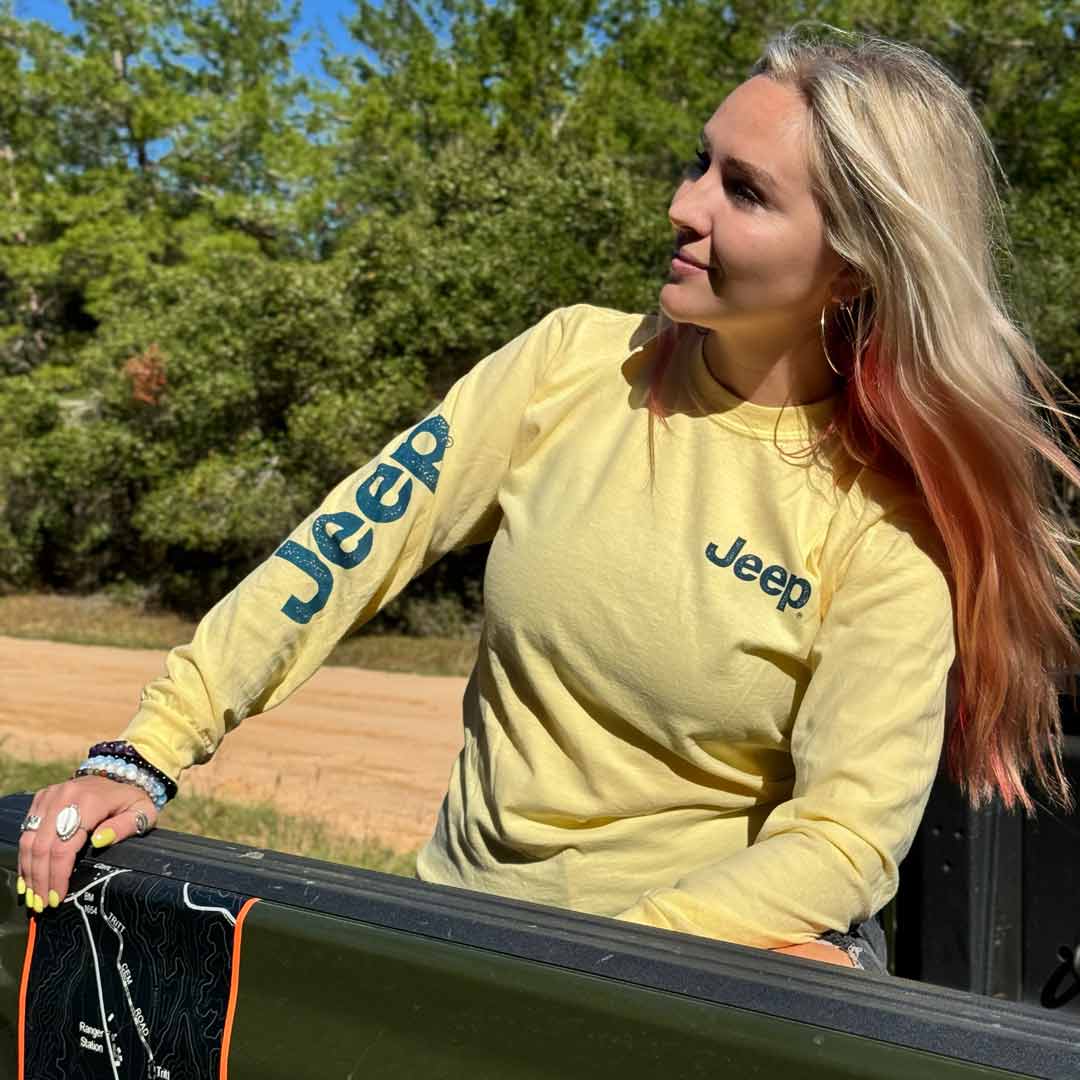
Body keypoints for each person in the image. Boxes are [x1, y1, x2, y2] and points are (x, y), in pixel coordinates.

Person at [17, 24, 1080, 975]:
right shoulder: (568, 363)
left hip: (671, 991)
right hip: (455, 943)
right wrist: (147, 748)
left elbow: (841, 840)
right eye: (698, 163)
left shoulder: (881, 532)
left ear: (851, 269)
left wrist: (598, 970)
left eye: (744, 191)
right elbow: (344, 548)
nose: (684, 204)